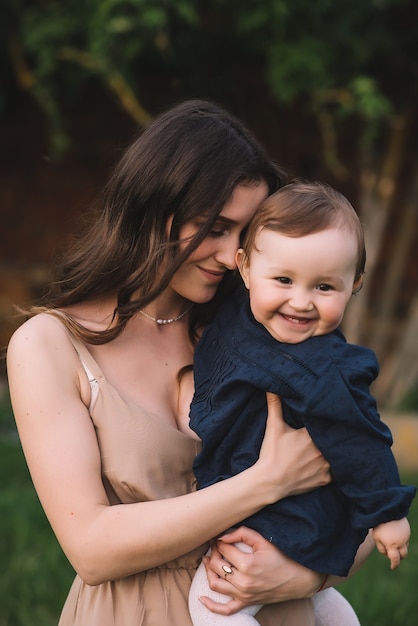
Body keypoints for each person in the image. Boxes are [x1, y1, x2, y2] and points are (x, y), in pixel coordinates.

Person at [6, 100, 373, 626]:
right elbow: (91, 548)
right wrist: (266, 482)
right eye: (216, 228)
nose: (230, 257)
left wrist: (305, 575)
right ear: (153, 208)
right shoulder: (50, 345)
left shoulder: (269, 329)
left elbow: (361, 496)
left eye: (244, 237)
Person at [178, 181, 416, 626]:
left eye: (325, 287)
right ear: (244, 270)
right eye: (284, 280)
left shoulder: (327, 370)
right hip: (270, 503)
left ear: (354, 285)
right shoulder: (239, 308)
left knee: (211, 607)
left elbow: (361, 437)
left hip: (280, 515)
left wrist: (388, 514)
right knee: (316, 605)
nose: (301, 302)